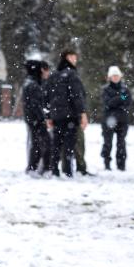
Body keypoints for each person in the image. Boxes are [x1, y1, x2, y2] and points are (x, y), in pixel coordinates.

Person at [47, 49, 88, 177]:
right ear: (68, 58)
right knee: (69, 144)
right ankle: (68, 170)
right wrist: (82, 113)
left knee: (57, 144)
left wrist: (49, 115)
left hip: (57, 116)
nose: (75, 60)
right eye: (73, 57)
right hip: (70, 116)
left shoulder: (54, 75)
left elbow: (47, 96)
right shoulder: (72, 75)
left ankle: (54, 169)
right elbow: (77, 95)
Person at [100, 66, 133, 171]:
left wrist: (116, 99)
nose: (115, 77)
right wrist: (120, 98)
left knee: (121, 143)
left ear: (120, 76)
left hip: (122, 120)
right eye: (113, 76)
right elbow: (108, 103)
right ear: (109, 77)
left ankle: (121, 165)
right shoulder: (105, 89)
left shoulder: (125, 89)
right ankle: (107, 164)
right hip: (108, 120)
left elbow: (128, 101)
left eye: (117, 75)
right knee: (107, 142)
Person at [22, 60, 50, 175]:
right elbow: (36, 105)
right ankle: (43, 168)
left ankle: (34, 167)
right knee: (44, 143)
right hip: (36, 120)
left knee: (37, 143)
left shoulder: (30, 83)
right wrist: (43, 118)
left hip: (32, 120)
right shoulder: (33, 85)